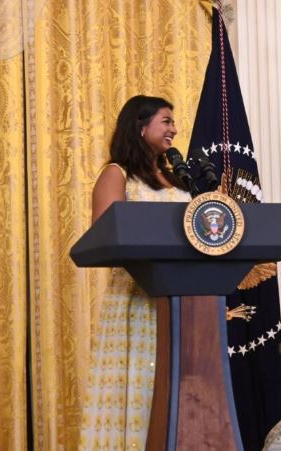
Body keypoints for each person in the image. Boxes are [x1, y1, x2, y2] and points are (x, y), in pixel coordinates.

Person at [79, 95, 190, 449]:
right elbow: (104, 237)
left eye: (173, 122)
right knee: (144, 387)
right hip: (139, 300)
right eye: (166, 121)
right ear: (141, 127)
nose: (174, 128)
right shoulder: (118, 174)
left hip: (183, 301)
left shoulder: (179, 178)